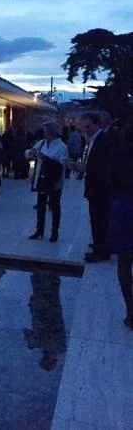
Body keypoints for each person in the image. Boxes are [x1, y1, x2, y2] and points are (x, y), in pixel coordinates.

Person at [106, 123, 133, 328]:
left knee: (124, 261)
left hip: (123, 207)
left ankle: (130, 310)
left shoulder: (119, 155)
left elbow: (110, 179)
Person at [80, 112, 116, 262]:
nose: (86, 130)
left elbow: (104, 165)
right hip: (95, 186)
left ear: (97, 124)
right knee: (97, 219)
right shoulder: (94, 139)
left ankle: (100, 251)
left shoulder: (103, 140)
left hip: (100, 187)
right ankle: (99, 245)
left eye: (88, 126)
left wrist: (86, 168)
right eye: (84, 127)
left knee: (99, 219)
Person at [26, 120, 68, 242]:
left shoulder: (62, 147)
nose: (44, 133)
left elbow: (62, 164)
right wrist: (31, 153)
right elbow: (29, 154)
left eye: (46, 131)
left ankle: (55, 232)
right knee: (40, 205)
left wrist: (45, 158)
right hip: (42, 179)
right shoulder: (42, 143)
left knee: (55, 206)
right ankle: (39, 230)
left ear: (53, 132)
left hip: (54, 181)